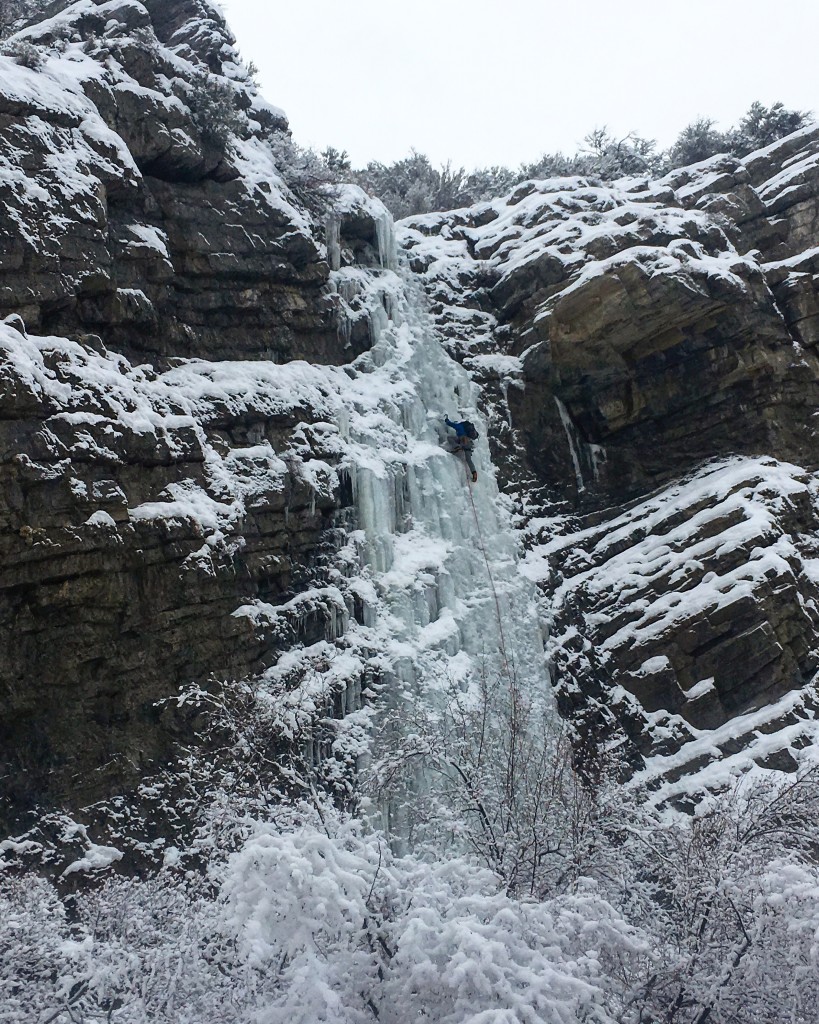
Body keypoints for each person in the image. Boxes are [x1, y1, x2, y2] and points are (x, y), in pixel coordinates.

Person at [444, 416, 478, 482]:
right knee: (468, 459)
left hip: (462, 440)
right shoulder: (469, 430)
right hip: (469, 444)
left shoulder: (459, 426)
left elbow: (451, 424)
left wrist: (447, 420)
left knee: (450, 438)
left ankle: (457, 447)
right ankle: (474, 472)